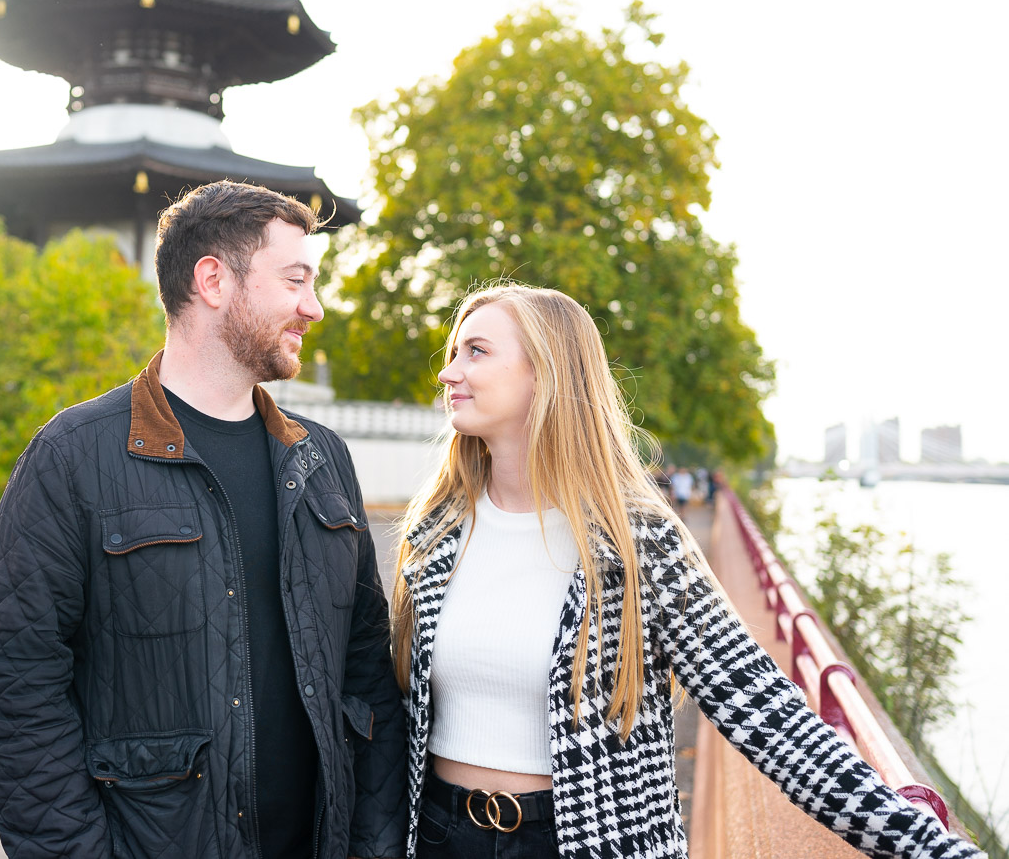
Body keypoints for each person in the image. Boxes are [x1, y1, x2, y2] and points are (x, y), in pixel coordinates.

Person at [392, 282, 983, 859]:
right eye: (454, 353)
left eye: (477, 351)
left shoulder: (637, 542)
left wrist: (925, 844)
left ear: (545, 375)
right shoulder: (435, 531)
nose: (449, 372)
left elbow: (762, 708)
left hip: (586, 842)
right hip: (442, 834)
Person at [0, 180, 408, 859]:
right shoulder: (72, 457)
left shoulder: (324, 460)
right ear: (213, 280)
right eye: (296, 280)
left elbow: (367, 677)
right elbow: (14, 698)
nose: (314, 307)